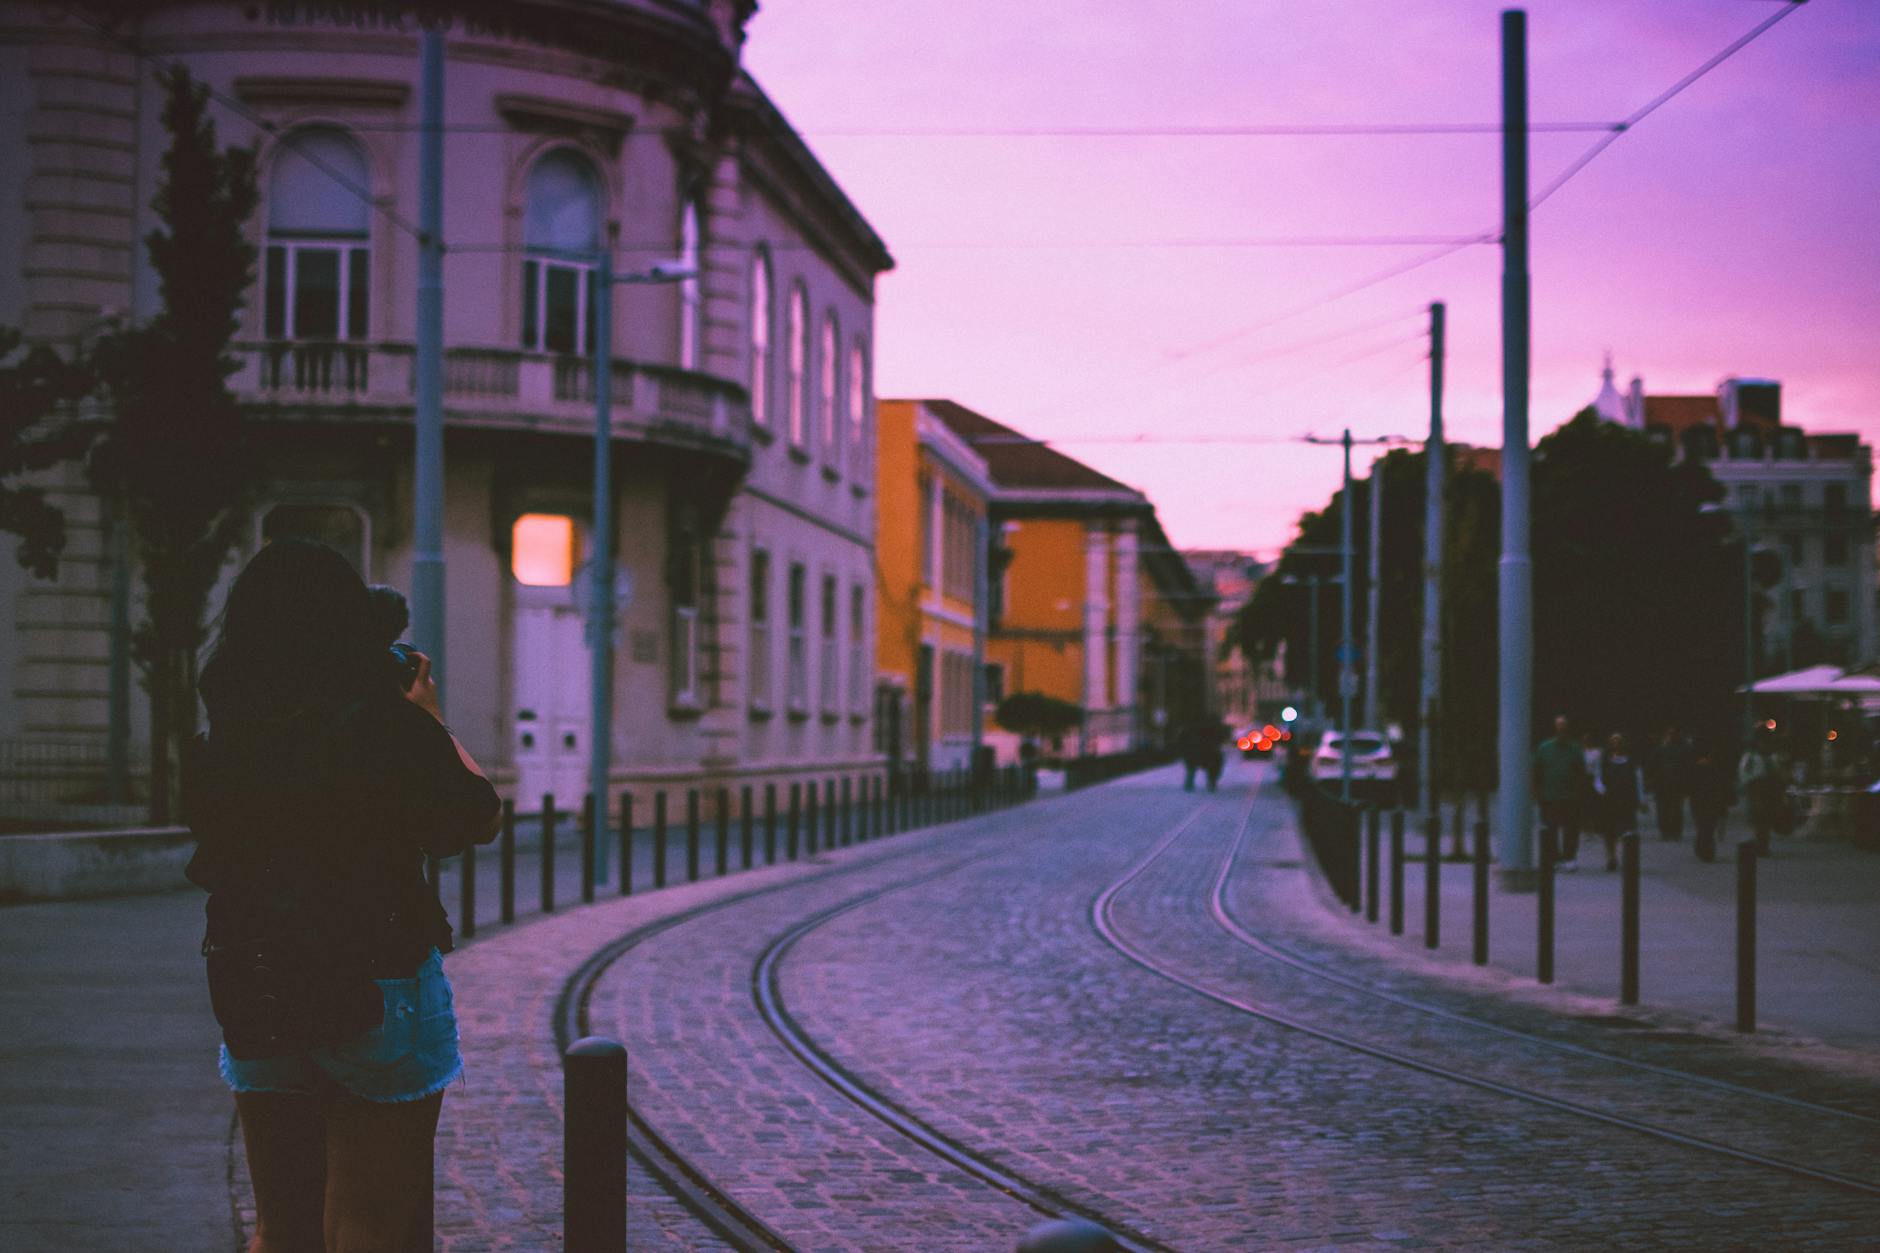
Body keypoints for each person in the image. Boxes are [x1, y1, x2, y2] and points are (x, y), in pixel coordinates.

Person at [185, 540, 500, 1252]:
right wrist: (430, 719)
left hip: (253, 977)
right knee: (369, 1223)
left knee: (282, 1227)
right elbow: (476, 817)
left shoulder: (226, 738)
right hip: (373, 976)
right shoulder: (383, 725)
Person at [1533, 716, 1586, 870]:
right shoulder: (1545, 748)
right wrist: (1536, 794)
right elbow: (1536, 771)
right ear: (1554, 729)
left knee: (1571, 829)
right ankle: (1554, 858)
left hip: (1571, 797)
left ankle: (1569, 857)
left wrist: (1581, 794)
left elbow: (1581, 773)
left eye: (1564, 728)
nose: (1561, 731)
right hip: (1549, 796)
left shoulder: (1575, 749)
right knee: (1550, 829)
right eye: (1559, 727)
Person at [1593, 732, 1646, 872]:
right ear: (1610, 744)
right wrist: (1603, 791)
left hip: (1627, 800)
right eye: (1613, 741)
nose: (1616, 743)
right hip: (1609, 800)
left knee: (1628, 830)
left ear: (1624, 743)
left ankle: (1627, 857)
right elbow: (1597, 779)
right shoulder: (1605, 761)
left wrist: (1642, 800)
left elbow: (1638, 780)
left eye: (1619, 740)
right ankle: (1611, 857)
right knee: (1609, 831)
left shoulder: (1632, 761)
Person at [1738, 728, 1786, 856]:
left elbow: (1777, 773)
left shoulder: (1772, 757)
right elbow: (1744, 774)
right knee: (1759, 819)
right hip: (1756, 790)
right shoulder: (1751, 757)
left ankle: (1763, 844)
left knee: (1765, 819)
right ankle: (1761, 845)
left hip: (1769, 790)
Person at [1687, 744, 1732, 862]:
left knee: (1704, 826)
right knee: (1708, 827)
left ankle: (1703, 849)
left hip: (1700, 801)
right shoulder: (1717, 769)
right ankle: (1706, 850)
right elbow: (1724, 786)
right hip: (1710, 801)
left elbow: (1690, 785)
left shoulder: (1698, 767)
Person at [1651, 724, 1694, 842]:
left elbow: (1688, 767)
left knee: (1676, 809)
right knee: (1663, 809)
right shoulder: (1660, 749)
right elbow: (1652, 766)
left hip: (1676, 784)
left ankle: (1674, 831)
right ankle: (1666, 831)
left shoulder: (1683, 749)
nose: (1671, 736)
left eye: (1673, 734)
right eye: (1669, 734)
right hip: (1662, 784)